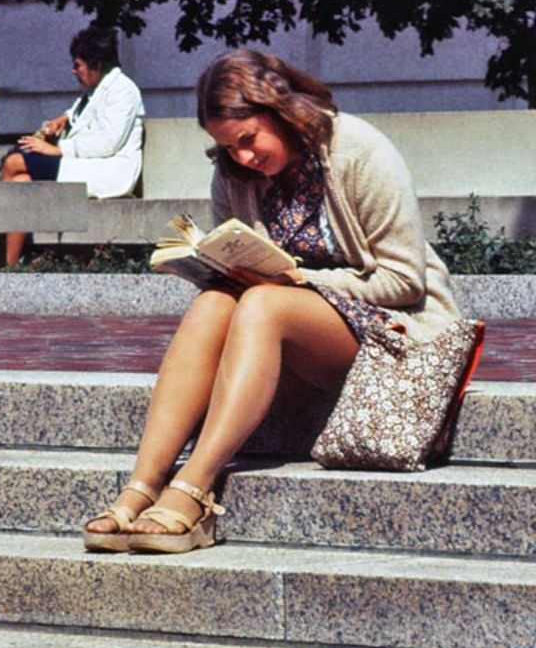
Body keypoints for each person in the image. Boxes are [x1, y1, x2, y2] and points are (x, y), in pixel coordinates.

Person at [83, 48, 463, 555]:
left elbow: (404, 281)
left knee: (264, 302)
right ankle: (141, 486)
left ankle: (194, 489)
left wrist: (298, 281)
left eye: (248, 139)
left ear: (282, 112)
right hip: (294, 329)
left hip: (392, 335)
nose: (242, 157)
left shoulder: (359, 151)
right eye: (227, 147)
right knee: (214, 303)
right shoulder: (234, 172)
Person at [0, 24, 145, 266]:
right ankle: (11, 265)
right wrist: (63, 119)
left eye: (78, 65)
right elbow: (85, 112)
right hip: (85, 164)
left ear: (96, 65)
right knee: (19, 182)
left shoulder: (124, 91)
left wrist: (56, 150)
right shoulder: (97, 89)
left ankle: (1, 258)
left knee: (14, 162)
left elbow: (107, 143)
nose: (73, 71)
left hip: (107, 170)